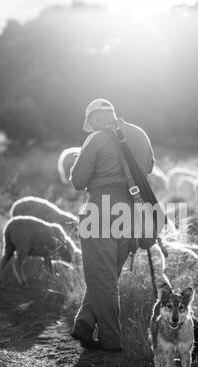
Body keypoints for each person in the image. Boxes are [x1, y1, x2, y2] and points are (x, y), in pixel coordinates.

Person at [70, 98, 155, 352]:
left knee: (101, 276)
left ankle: (111, 340)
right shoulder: (140, 134)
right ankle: (84, 323)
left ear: (96, 117)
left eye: (91, 122)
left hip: (99, 210)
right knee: (104, 276)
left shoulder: (96, 138)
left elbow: (78, 180)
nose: (91, 126)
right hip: (131, 214)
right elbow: (149, 167)